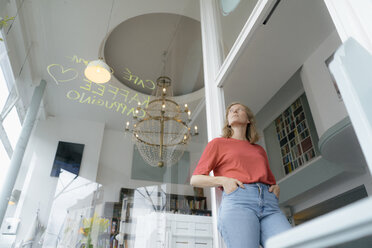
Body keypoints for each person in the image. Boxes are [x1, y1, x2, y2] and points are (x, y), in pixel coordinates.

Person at [190, 102, 291, 248]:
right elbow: (195, 179)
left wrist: (276, 188)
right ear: (228, 122)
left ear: (249, 120)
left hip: (269, 205)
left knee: (292, 243)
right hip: (239, 202)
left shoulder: (259, 150)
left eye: (239, 109)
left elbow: (268, 178)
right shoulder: (218, 144)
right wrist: (223, 180)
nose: (234, 112)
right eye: (231, 111)